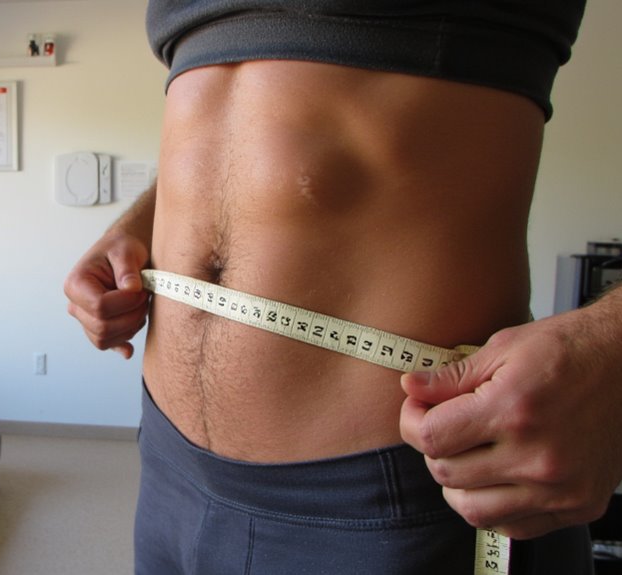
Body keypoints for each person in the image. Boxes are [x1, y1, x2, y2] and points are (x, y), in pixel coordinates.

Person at [64, 1, 618, 573]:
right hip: (166, 460)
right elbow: (235, 119)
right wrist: (132, 225)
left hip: (394, 488)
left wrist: (612, 349)